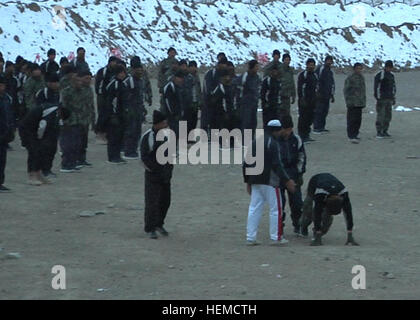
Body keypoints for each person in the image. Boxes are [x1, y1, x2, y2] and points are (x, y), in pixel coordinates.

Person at [243, 119, 296, 246]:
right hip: (270, 181)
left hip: (255, 179)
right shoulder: (273, 143)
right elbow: (277, 165)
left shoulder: (255, 142)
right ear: (276, 130)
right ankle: (276, 237)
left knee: (254, 208)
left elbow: (246, 162)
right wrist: (287, 180)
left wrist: (248, 181)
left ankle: (251, 237)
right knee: (276, 209)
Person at [140, 110, 174, 239]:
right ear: (157, 124)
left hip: (166, 176)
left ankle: (159, 223)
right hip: (153, 176)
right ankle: (150, 227)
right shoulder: (147, 137)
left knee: (165, 201)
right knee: (152, 202)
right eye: (164, 122)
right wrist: (154, 169)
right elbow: (143, 157)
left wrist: (169, 170)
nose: (166, 124)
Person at [300, 173, 359, 246]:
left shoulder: (344, 194)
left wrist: (350, 234)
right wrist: (318, 232)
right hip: (314, 183)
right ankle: (303, 225)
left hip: (329, 187)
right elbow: (317, 212)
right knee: (308, 208)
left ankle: (318, 233)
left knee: (327, 218)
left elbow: (348, 213)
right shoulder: (320, 194)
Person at [20, 103, 70, 185]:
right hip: (27, 129)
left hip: (34, 130)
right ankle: (31, 176)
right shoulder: (53, 112)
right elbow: (43, 125)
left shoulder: (55, 110)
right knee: (34, 152)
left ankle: (39, 175)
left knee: (40, 152)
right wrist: (40, 138)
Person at [276, 115, 306, 235]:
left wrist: (299, 173)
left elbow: (302, 157)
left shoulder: (297, 139)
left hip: (294, 174)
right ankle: (279, 226)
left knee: (297, 202)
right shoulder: (274, 141)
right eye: (286, 129)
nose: (288, 132)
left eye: (290, 129)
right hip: (279, 176)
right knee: (279, 203)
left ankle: (298, 224)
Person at [96, 65, 128, 164]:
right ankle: (112, 157)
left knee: (119, 136)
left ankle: (117, 155)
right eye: (122, 73)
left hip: (120, 114)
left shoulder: (121, 84)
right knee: (113, 136)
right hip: (114, 115)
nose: (123, 75)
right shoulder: (114, 85)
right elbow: (112, 101)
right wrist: (114, 114)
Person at [34, 73, 61, 177]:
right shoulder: (42, 93)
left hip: (54, 125)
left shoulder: (57, 93)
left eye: (57, 82)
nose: (56, 85)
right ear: (49, 83)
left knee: (52, 149)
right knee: (43, 148)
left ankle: (48, 169)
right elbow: (38, 109)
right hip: (43, 125)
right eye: (54, 82)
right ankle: (40, 169)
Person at [121, 56, 147, 160]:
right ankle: (128, 150)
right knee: (130, 130)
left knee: (137, 130)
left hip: (138, 109)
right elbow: (125, 97)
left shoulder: (140, 81)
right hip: (131, 110)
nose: (140, 71)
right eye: (137, 69)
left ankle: (134, 149)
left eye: (141, 69)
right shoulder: (129, 81)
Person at [238, 60, 261, 142]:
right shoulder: (245, 76)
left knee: (253, 122)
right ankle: (244, 140)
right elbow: (239, 89)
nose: (257, 68)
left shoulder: (258, 76)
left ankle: (251, 138)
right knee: (245, 122)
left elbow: (258, 88)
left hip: (254, 103)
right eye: (256, 67)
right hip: (246, 104)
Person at [344, 63, 366, 143]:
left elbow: (363, 90)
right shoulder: (350, 78)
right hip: (352, 102)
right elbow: (346, 90)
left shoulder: (361, 77)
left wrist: (363, 101)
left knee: (358, 120)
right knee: (351, 119)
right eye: (357, 68)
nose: (359, 70)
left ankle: (356, 134)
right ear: (354, 69)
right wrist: (348, 101)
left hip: (359, 102)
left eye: (360, 68)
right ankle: (351, 135)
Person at [297, 58, 318, 143]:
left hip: (313, 101)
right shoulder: (303, 75)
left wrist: (316, 97)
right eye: (310, 65)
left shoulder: (315, 75)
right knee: (303, 118)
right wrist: (302, 98)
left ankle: (307, 134)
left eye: (313, 65)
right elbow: (300, 88)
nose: (311, 66)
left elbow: (316, 87)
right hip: (304, 101)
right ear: (307, 65)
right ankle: (302, 135)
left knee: (310, 118)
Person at [374, 60, 396, 139]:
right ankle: (379, 131)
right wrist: (378, 97)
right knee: (381, 115)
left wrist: (393, 97)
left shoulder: (392, 75)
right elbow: (376, 87)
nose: (389, 69)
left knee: (388, 116)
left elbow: (393, 87)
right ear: (385, 67)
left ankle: (385, 130)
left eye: (390, 67)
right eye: (388, 67)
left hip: (389, 98)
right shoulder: (380, 75)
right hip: (382, 99)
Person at [0, 74, 15, 192]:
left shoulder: (6, 98)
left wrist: (11, 129)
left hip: (4, 133)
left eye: (2, 85)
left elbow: (10, 114)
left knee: (2, 159)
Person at [313, 55, 335, 134]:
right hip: (320, 94)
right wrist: (317, 92)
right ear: (325, 61)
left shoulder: (330, 72)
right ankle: (316, 127)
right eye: (328, 60)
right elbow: (316, 80)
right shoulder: (321, 69)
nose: (329, 62)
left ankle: (322, 127)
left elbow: (332, 84)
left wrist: (332, 95)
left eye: (330, 61)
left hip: (327, 95)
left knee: (325, 111)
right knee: (319, 111)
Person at [95, 56, 119, 125]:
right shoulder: (103, 71)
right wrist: (101, 94)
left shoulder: (115, 71)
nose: (115, 64)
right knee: (102, 112)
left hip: (111, 96)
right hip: (102, 96)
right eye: (114, 62)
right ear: (110, 62)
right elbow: (99, 84)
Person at [78, 70, 95, 167]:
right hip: (78, 119)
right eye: (86, 78)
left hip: (86, 118)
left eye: (90, 79)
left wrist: (93, 119)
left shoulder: (89, 89)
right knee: (77, 140)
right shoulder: (79, 89)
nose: (88, 81)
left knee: (84, 141)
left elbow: (91, 105)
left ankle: (82, 159)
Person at [162, 70, 184, 141]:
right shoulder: (170, 87)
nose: (180, 80)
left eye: (181, 78)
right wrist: (173, 113)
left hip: (177, 114)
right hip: (171, 115)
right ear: (175, 77)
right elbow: (168, 102)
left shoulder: (178, 87)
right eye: (179, 78)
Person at [184, 61, 201, 137]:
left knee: (194, 120)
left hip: (196, 101)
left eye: (195, 66)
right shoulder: (186, 76)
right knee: (187, 120)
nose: (194, 68)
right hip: (188, 102)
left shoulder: (196, 77)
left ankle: (191, 136)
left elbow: (199, 89)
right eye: (192, 67)